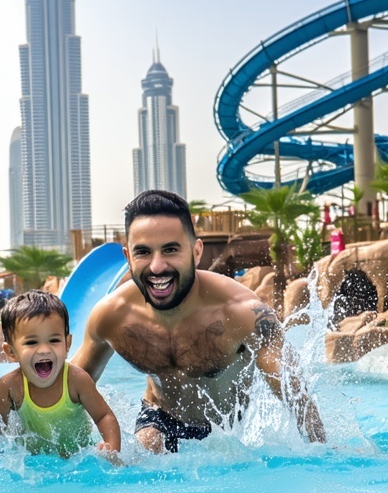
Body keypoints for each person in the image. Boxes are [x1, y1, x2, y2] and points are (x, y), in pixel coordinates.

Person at [72, 189, 326, 452]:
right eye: (143, 252)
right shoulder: (111, 316)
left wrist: (323, 452)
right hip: (158, 416)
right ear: (128, 258)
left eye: (170, 250)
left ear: (196, 252)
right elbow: (66, 387)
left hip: (224, 433)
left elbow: (296, 394)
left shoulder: (241, 313)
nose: (157, 267)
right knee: (147, 449)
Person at [0, 290, 122, 457]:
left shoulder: (77, 381)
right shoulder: (10, 386)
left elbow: (104, 416)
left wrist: (111, 451)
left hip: (77, 456)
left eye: (54, 340)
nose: (44, 350)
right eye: (32, 342)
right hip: (32, 462)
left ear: (67, 344)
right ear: (11, 351)